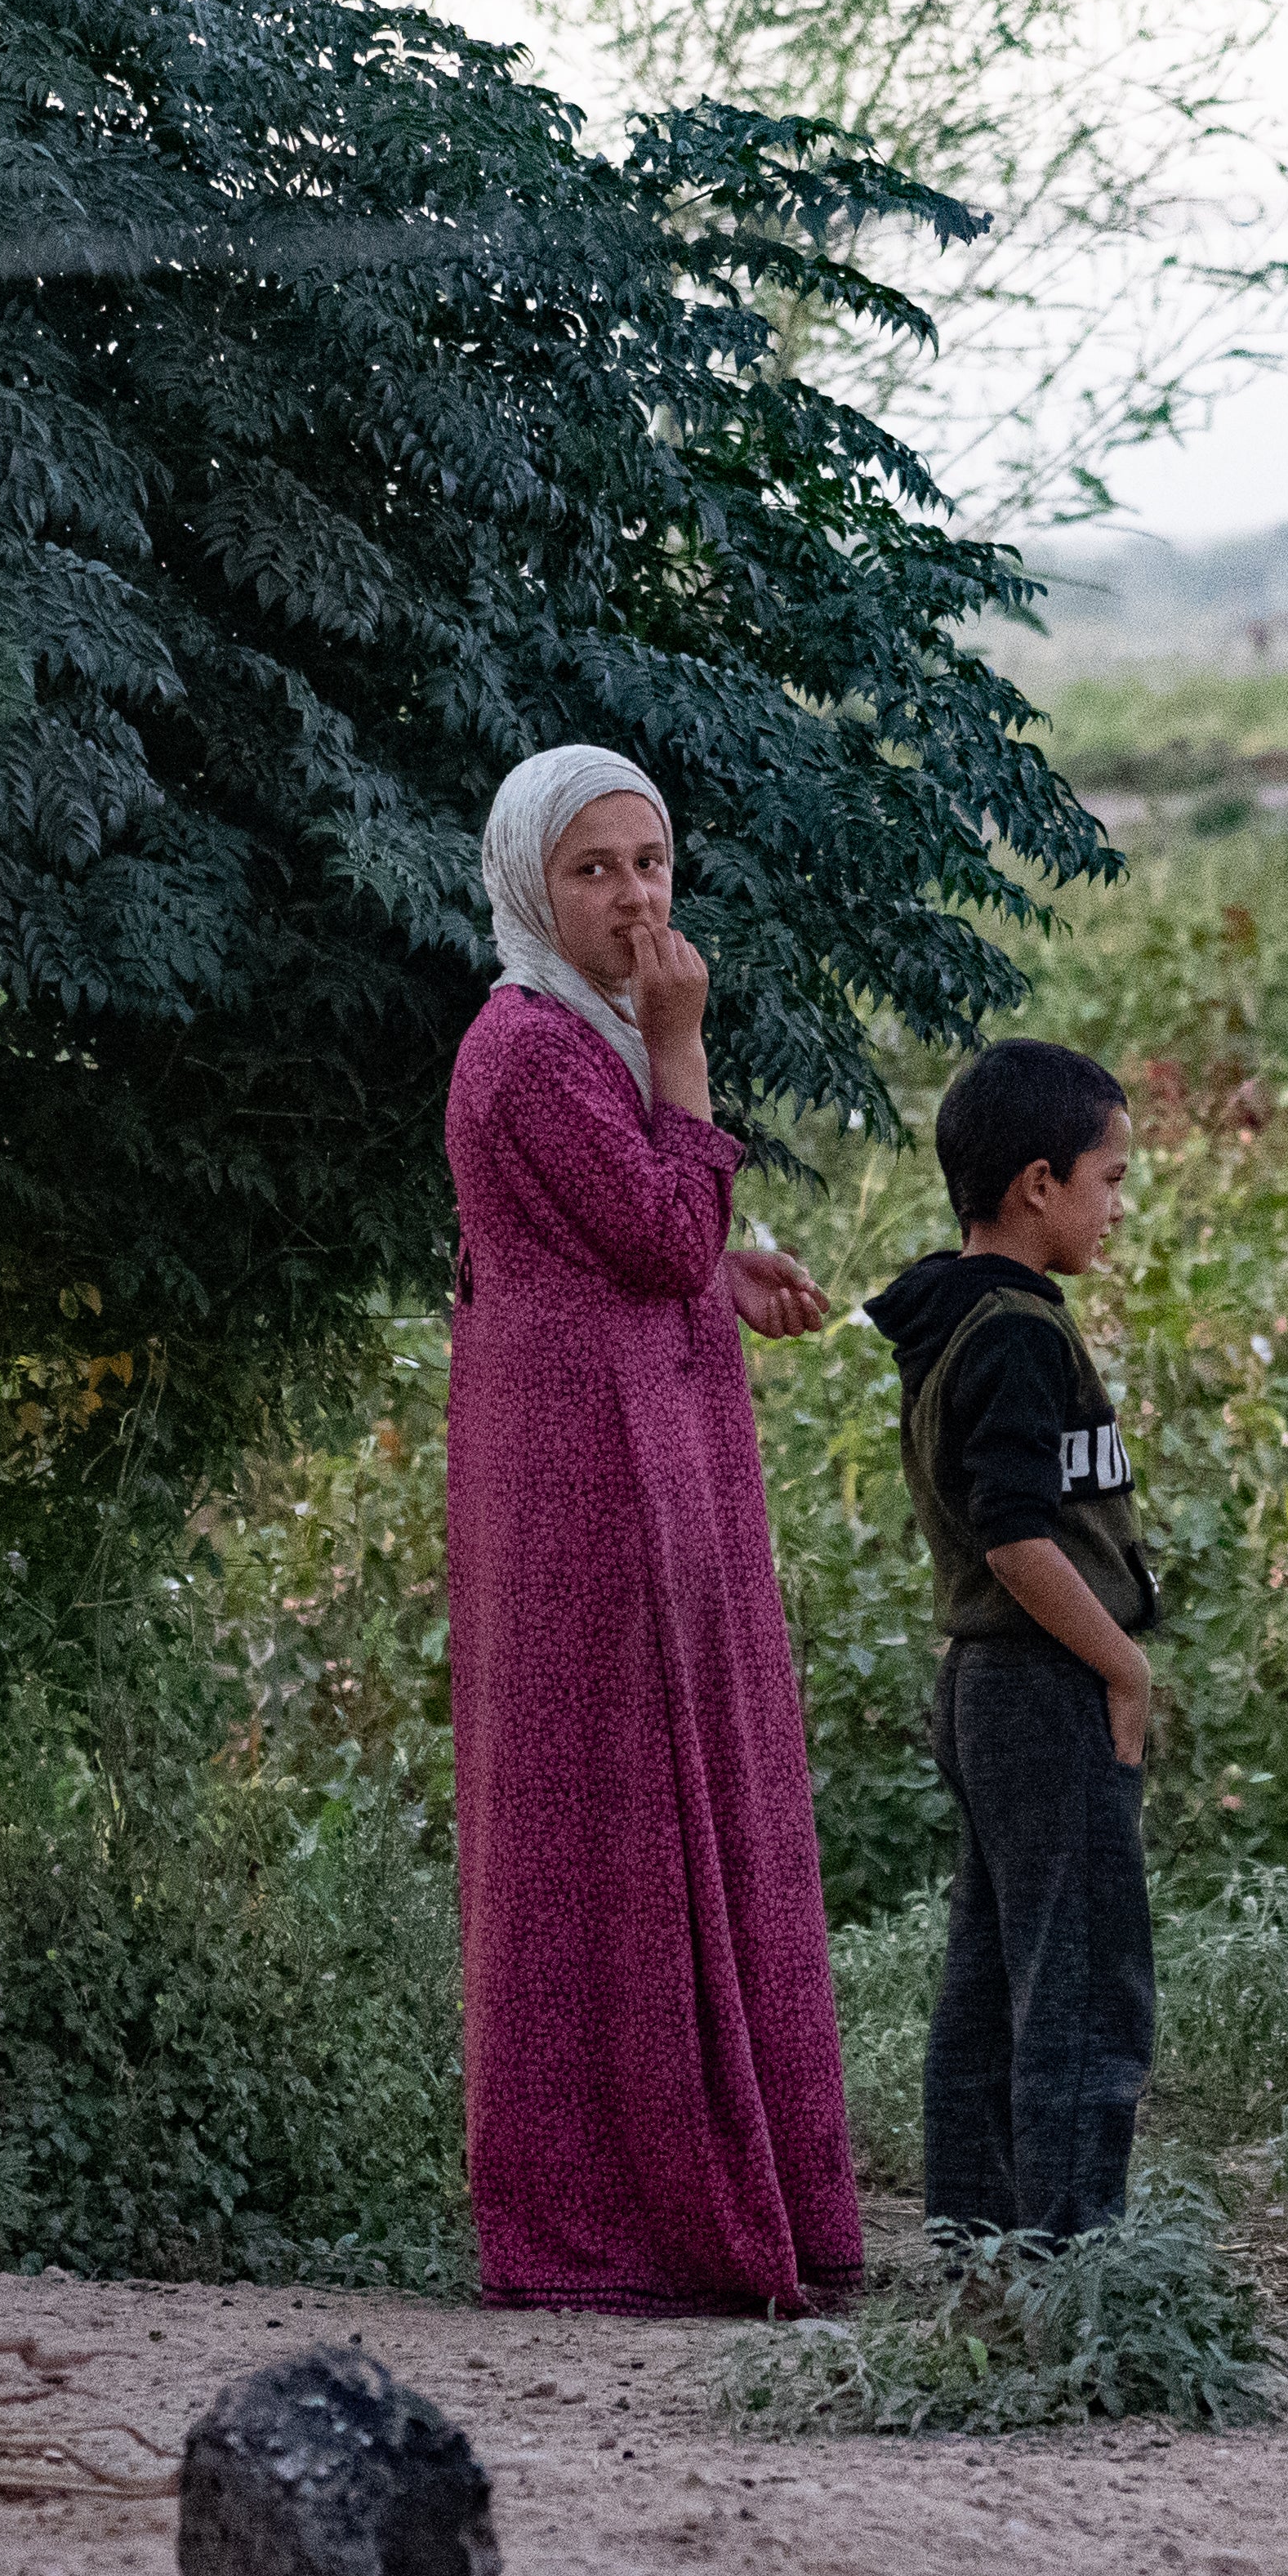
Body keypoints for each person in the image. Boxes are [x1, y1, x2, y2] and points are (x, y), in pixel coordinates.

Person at [446, 745, 857, 2315]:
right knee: (614, 1805)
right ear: (530, 892)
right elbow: (664, 1216)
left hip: (632, 1432)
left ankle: (717, 2184)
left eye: (650, 862)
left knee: (675, 1788)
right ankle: (618, 2209)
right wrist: (686, 1055)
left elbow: (636, 1242)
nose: (634, 897)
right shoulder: (539, 1045)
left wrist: (720, 1279)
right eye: (594, 870)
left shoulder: (581, 1039)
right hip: (585, 1472)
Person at [864, 1042, 1161, 2243]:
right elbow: (1016, 1538)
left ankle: (978, 2260)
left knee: (993, 1983)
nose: (1118, 1205)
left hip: (985, 1688)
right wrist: (1123, 1666)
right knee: (1085, 1986)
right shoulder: (1015, 1332)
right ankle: (1075, 2265)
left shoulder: (956, 1316)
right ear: (1038, 1184)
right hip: (1041, 1683)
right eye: (1110, 1177)